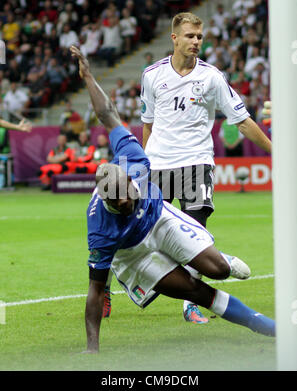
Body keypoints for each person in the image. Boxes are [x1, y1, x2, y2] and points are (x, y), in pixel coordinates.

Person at [70, 45, 275, 354]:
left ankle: (222, 260)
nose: (128, 202)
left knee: (217, 269)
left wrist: (87, 76)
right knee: (197, 291)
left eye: (130, 195)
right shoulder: (101, 231)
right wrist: (91, 349)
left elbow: (107, 114)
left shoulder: (134, 159)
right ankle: (273, 329)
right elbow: (95, 290)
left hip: (160, 219)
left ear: (130, 179)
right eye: (122, 204)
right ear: (110, 204)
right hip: (132, 253)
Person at [141, 12, 272, 324]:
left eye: (199, 37)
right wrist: (144, 163)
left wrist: (275, 153)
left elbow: (242, 121)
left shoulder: (212, 77)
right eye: (189, 36)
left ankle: (190, 303)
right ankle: (110, 284)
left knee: (195, 233)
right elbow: (148, 123)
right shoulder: (151, 76)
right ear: (174, 38)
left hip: (197, 164)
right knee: (142, 232)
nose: (196, 42)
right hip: (159, 164)